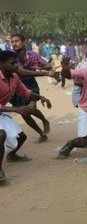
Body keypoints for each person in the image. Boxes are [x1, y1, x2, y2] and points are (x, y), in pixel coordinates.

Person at [0, 50, 52, 182]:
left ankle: (12, 156)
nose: (17, 65)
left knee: (21, 137)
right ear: (1, 64)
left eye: (17, 62)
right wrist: (18, 109)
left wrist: (41, 97)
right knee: (1, 135)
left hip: (1, 112)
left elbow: (25, 92)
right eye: (13, 63)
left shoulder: (14, 77)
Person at [10, 34, 54, 143]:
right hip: (15, 87)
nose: (14, 44)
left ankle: (44, 121)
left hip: (30, 85)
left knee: (31, 107)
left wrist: (38, 67)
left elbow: (48, 65)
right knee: (24, 113)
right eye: (12, 42)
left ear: (23, 42)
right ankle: (41, 133)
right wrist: (44, 72)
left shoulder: (32, 55)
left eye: (17, 41)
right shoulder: (11, 57)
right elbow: (21, 72)